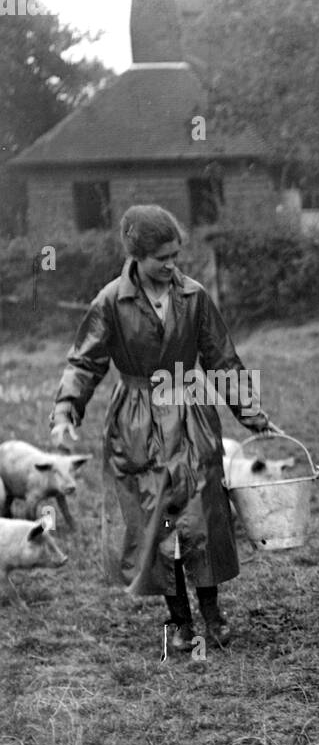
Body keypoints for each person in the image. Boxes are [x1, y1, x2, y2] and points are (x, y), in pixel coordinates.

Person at [49, 204, 275, 650]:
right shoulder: (111, 301)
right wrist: (64, 411)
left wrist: (251, 414)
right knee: (157, 523)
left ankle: (212, 615)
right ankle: (179, 622)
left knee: (204, 519)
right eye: (162, 258)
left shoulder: (194, 297)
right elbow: (84, 362)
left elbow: (222, 359)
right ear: (137, 255)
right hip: (136, 421)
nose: (172, 265)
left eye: (176, 255)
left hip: (190, 415)